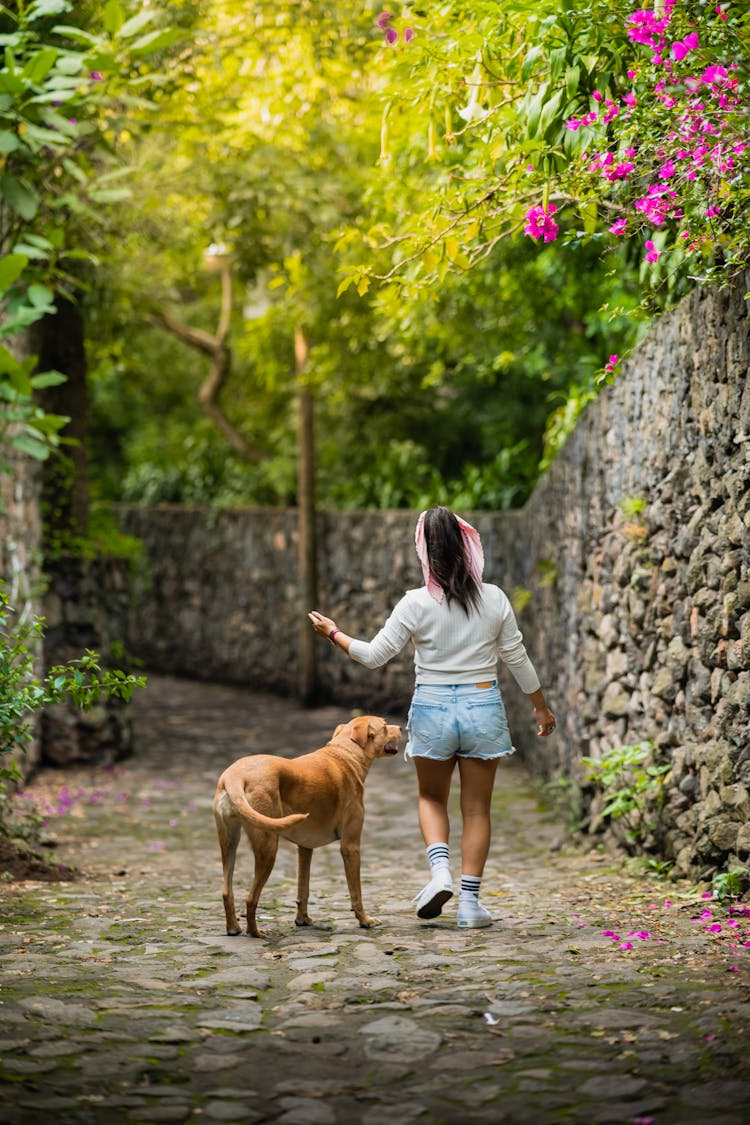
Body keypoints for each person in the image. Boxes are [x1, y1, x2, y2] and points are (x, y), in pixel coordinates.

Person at [308, 505, 556, 930]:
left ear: (424, 551)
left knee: (431, 799)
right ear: (466, 544)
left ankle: (440, 872)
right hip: (482, 706)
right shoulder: (494, 598)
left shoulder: (414, 604)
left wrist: (333, 633)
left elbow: (372, 655)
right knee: (477, 810)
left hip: (433, 708)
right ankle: (470, 905)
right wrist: (540, 706)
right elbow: (517, 657)